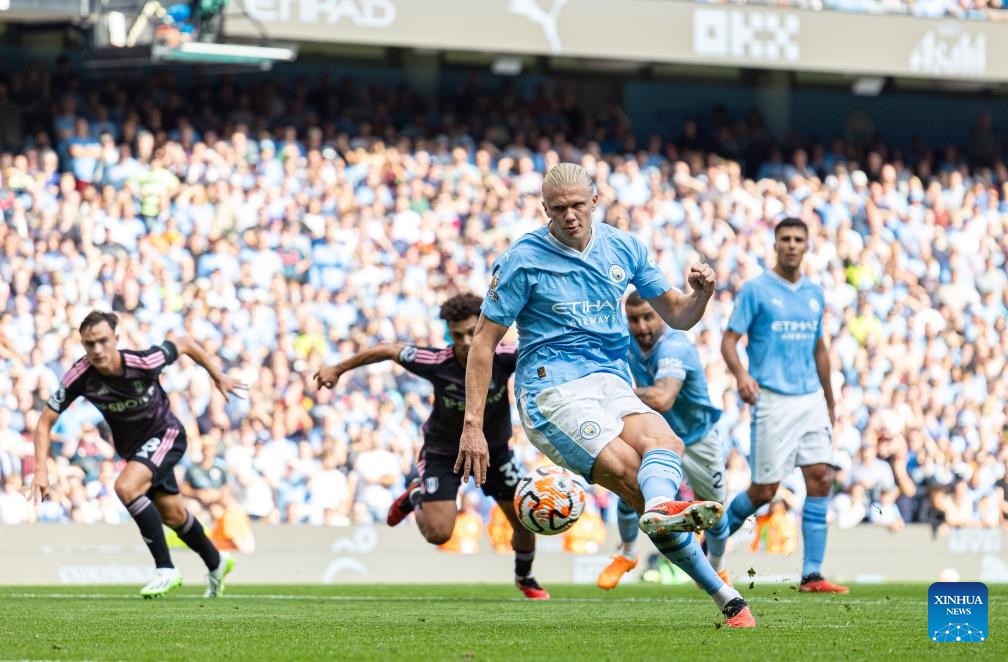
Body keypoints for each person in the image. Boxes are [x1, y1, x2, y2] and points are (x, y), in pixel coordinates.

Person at [457, 162, 755, 627]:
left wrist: (703, 294)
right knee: (629, 474)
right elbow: (483, 342)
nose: (570, 216)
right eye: (559, 209)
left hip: (608, 380)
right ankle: (725, 595)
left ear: (595, 201)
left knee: (667, 443)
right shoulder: (522, 259)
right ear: (545, 210)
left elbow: (677, 314)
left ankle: (660, 511)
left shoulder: (624, 246)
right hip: (551, 388)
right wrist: (472, 426)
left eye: (578, 205)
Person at [314, 293, 549, 599]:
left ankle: (525, 577)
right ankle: (416, 494)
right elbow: (389, 350)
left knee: (524, 518)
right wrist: (338, 369)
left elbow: (542, 354)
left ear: (484, 326)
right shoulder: (437, 362)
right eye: (456, 335)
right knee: (439, 533)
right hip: (444, 453)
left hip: (495, 453)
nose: (465, 341)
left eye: (470, 332)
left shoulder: (505, 357)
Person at [30, 310, 245, 598]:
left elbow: (183, 341)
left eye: (103, 341)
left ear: (116, 339)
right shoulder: (80, 376)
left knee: (126, 487)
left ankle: (165, 568)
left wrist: (216, 375)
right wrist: (41, 471)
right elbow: (44, 422)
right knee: (174, 515)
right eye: (89, 344)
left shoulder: (143, 362)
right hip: (136, 450)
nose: (97, 349)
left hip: (166, 435)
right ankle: (217, 562)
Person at [720, 217, 849, 593]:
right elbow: (729, 342)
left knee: (822, 475)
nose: (792, 245)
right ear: (775, 245)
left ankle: (812, 574)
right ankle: (709, 543)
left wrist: (829, 398)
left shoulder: (814, 292)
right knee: (764, 491)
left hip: (809, 398)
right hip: (772, 399)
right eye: (785, 239)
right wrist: (742, 376)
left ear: (807, 246)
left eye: (798, 239)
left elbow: (819, 347)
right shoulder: (756, 290)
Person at [597, 293, 729, 590]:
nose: (641, 326)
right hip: (656, 435)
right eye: (634, 319)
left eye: (648, 317)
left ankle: (719, 567)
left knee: (717, 511)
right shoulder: (624, 342)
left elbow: (663, 398)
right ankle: (627, 553)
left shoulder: (675, 345)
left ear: (661, 315)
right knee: (627, 486)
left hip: (698, 439)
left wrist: (621, 393)